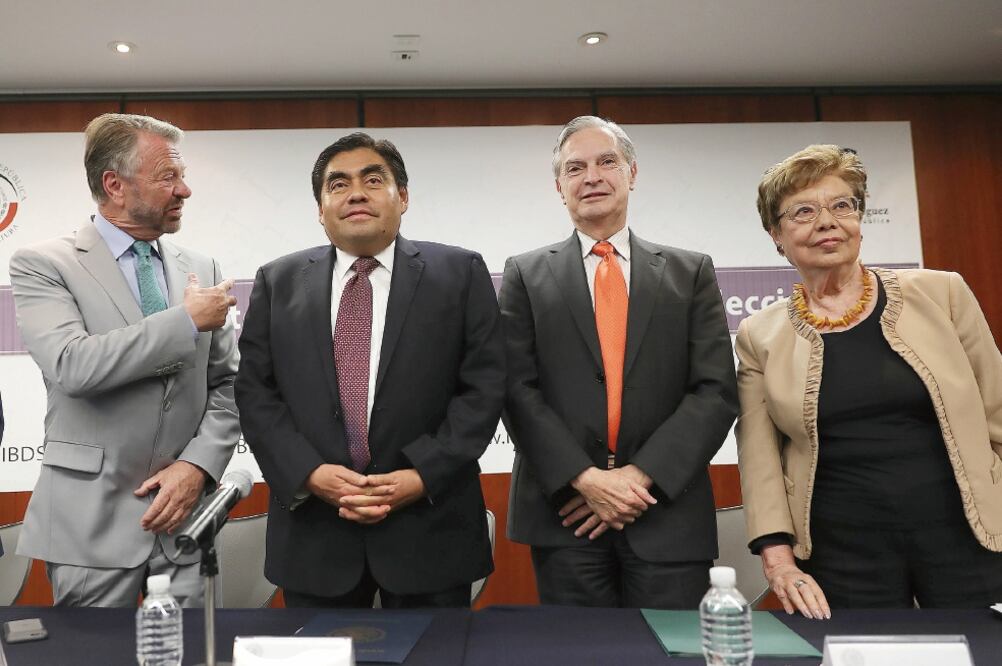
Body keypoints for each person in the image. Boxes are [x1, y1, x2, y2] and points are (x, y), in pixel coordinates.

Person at [235, 132, 505, 608]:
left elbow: (483, 389)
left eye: (373, 179)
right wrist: (310, 473)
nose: (355, 192)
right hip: (315, 534)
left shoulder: (459, 273)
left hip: (430, 528)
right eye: (337, 185)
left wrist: (422, 474)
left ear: (403, 197)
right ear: (320, 210)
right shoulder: (278, 281)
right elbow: (257, 393)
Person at [736, 144, 1002, 618]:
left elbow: (998, 413)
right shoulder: (760, 335)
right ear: (776, 235)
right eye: (803, 211)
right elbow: (760, 460)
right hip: (843, 555)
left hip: (969, 537)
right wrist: (779, 561)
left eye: (843, 205)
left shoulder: (943, 293)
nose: (827, 221)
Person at [500, 116, 738, 608]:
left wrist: (635, 480)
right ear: (559, 186)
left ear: (632, 173)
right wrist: (586, 481)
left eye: (607, 162)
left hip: (665, 511)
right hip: (567, 515)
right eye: (575, 167)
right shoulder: (524, 274)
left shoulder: (690, 272)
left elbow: (714, 390)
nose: (592, 177)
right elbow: (514, 388)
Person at [8, 113, 240, 607]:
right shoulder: (44, 264)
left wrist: (197, 466)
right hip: (88, 527)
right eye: (168, 177)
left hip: (184, 524)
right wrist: (185, 322)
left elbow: (228, 385)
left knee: (192, 657)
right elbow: (73, 366)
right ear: (114, 184)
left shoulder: (202, 268)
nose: (185, 190)